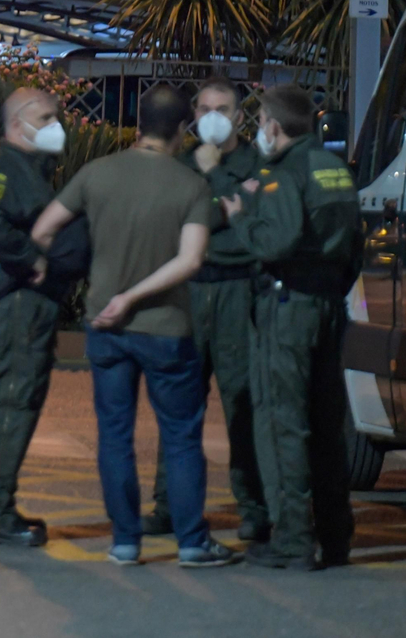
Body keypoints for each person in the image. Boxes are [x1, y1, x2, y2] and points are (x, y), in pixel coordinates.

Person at [31, 84, 240, 568]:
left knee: (115, 435)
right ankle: (192, 542)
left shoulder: (96, 173)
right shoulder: (191, 185)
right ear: (184, 128)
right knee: (181, 438)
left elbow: (43, 229)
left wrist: (89, 281)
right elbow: (190, 261)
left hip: (105, 326)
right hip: (166, 328)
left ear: (138, 122)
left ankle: (124, 541)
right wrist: (135, 296)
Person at [221, 84, 360, 571]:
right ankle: (336, 536)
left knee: (283, 422)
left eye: (261, 121)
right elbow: (355, 244)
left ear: (274, 126)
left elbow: (276, 242)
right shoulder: (333, 168)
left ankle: (294, 539)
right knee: (326, 425)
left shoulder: (285, 172)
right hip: (328, 304)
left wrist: (241, 219)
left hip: (288, 307)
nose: (259, 129)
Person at [142, 77, 268, 543]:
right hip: (191, 292)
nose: (213, 117)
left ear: (240, 116)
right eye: (205, 109)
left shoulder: (258, 163)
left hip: (238, 289)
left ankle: (254, 507)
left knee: (243, 404)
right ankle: (168, 506)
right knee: (179, 404)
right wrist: (226, 205)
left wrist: (213, 205)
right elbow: (176, 222)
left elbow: (251, 226)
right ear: (193, 115)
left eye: (224, 108)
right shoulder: (179, 165)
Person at [0, 88, 67, 547]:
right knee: (12, 403)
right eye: (44, 118)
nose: (54, 125)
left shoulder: (31, 167)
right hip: (18, 302)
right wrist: (31, 258)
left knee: (20, 401)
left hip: (29, 303)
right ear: (16, 125)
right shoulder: (9, 167)